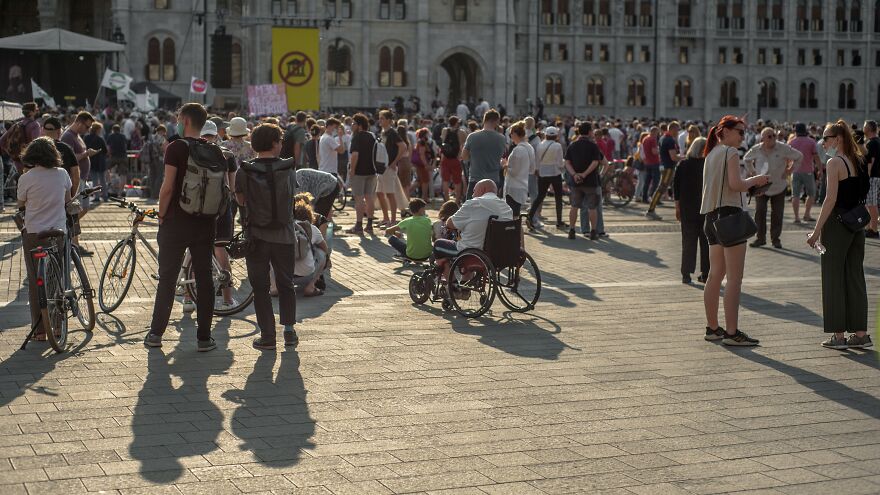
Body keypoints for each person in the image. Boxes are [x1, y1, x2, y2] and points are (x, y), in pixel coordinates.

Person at [144, 103, 219, 352]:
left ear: (185, 121)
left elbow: (167, 187)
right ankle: (204, 337)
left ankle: (156, 334)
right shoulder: (215, 150)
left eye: (178, 117)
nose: (176, 121)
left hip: (176, 221)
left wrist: (162, 215)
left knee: (167, 278)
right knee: (205, 277)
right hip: (206, 222)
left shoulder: (176, 148)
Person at [700, 116, 771, 346]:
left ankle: (713, 328)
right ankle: (732, 332)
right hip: (729, 216)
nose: (743, 136)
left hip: (710, 217)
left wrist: (747, 187)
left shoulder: (711, 153)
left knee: (714, 274)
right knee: (734, 279)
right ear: (726, 131)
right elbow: (735, 184)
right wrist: (756, 180)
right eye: (740, 132)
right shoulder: (730, 152)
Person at [807, 121, 872, 350]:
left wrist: (816, 231)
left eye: (826, 137)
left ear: (838, 138)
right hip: (857, 224)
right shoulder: (857, 160)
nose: (823, 142)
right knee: (855, 278)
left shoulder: (834, 162)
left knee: (833, 279)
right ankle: (861, 333)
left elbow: (830, 199)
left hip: (837, 224)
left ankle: (839, 336)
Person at [235, 123, 299, 350]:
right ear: (274, 143)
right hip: (285, 235)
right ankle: (289, 331)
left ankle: (268, 337)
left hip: (256, 236)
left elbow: (241, 201)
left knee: (260, 287)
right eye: (280, 140)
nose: (282, 144)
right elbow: (293, 197)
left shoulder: (244, 170)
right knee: (286, 283)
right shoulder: (288, 169)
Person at [17, 137, 72, 340]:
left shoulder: (27, 177)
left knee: (35, 281)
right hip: (57, 231)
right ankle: (57, 327)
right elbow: (67, 199)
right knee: (56, 279)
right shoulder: (62, 174)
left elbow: (20, 204)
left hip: (33, 233)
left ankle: (39, 330)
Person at [432, 179, 513, 279]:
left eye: (474, 191)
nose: (472, 195)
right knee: (470, 238)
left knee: (438, 245)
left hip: (473, 251)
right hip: (500, 253)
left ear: (483, 190)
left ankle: (452, 285)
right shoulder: (507, 208)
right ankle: (464, 284)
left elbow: (450, 223)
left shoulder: (473, 203)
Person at [744, 127, 803, 249]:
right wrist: (753, 172)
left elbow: (799, 156)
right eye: (769, 136)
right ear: (763, 139)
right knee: (760, 212)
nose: (773, 138)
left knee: (777, 214)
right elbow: (746, 159)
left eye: (774, 136)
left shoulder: (782, 147)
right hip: (761, 187)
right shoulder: (757, 149)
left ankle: (775, 239)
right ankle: (760, 239)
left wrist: (790, 170)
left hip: (778, 186)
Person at [60, 112, 98, 255]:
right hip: (75, 179)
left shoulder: (77, 136)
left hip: (82, 178)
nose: (88, 130)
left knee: (83, 208)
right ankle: (74, 244)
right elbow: (68, 157)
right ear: (79, 123)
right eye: (87, 127)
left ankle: (72, 237)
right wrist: (86, 154)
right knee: (76, 211)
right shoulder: (68, 136)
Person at [673, 137, 709, 284]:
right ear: (702, 149)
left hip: (687, 209)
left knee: (688, 242)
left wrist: (677, 207)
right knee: (706, 243)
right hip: (705, 208)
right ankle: (706, 273)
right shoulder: (708, 165)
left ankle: (686, 274)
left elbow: (676, 188)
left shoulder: (683, 164)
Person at [564, 122, 604, 240]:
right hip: (591, 181)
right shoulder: (593, 146)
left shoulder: (572, 145)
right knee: (592, 207)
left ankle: (572, 230)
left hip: (576, 182)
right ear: (590, 132)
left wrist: (574, 174)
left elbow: (567, 162)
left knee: (574, 206)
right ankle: (593, 231)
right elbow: (595, 162)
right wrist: (585, 174)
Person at [528, 125, 566, 230]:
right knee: (558, 198)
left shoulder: (540, 145)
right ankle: (559, 221)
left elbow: (537, 160)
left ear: (546, 135)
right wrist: (563, 164)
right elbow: (560, 163)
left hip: (543, 173)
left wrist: (537, 169)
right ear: (556, 136)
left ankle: (530, 216)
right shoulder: (557, 146)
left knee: (540, 196)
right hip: (555, 173)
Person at [462, 109, 506, 199]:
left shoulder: (472, 136)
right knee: (490, 210)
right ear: (497, 121)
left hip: (476, 178)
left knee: (471, 209)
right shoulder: (501, 139)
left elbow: (464, 156)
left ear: (484, 119)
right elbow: (501, 156)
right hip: (493, 181)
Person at [346, 113, 378, 235]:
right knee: (369, 198)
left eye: (353, 123)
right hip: (372, 171)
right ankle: (369, 225)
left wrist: (352, 170)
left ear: (359, 126)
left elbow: (355, 155)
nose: (352, 125)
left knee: (359, 199)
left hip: (359, 172)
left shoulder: (357, 137)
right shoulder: (372, 136)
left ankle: (358, 225)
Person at [293, 197, 329, 297]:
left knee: (272, 252)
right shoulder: (312, 229)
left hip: (285, 274)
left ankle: (274, 287)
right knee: (321, 253)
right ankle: (311, 286)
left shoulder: (286, 228)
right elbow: (325, 249)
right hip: (307, 274)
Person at [376, 110, 406, 227]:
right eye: (379, 118)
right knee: (379, 193)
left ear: (388, 120)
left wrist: (394, 162)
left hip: (389, 168)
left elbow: (403, 146)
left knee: (390, 194)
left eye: (382, 118)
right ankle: (386, 218)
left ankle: (393, 220)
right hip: (382, 167)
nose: (380, 120)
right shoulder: (383, 132)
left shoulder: (392, 133)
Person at [788, 123, 822, 224]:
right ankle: (807, 214)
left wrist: (787, 169)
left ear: (796, 131)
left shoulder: (791, 142)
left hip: (795, 171)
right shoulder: (811, 142)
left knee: (795, 195)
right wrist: (820, 169)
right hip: (808, 171)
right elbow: (816, 157)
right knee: (811, 194)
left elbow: (786, 158)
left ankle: (796, 217)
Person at [503, 121, 535, 218]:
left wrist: (505, 165)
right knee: (516, 216)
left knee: (513, 217)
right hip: (522, 185)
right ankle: (517, 233)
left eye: (510, 134)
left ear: (515, 134)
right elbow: (532, 169)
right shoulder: (529, 147)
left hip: (513, 188)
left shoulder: (518, 150)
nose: (510, 136)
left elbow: (514, 172)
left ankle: (516, 233)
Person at [439, 116, 466, 202]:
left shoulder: (444, 131)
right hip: (455, 159)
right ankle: (457, 200)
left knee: (445, 180)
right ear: (457, 123)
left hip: (445, 158)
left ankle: (447, 200)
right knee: (457, 181)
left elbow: (442, 143)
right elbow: (463, 145)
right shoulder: (461, 132)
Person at [82, 122, 109, 203]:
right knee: (102, 180)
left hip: (91, 161)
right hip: (100, 162)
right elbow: (105, 151)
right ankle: (105, 196)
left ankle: (96, 197)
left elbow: (84, 148)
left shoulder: (86, 138)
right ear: (97, 130)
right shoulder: (100, 139)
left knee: (94, 180)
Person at [863, 120, 879, 238]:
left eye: (864, 127)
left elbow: (870, 162)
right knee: (872, 203)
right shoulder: (877, 141)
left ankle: (873, 229)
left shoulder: (871, 143)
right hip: (877, 177)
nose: (863, 128)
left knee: (871, 204)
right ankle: (869, 227)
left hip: (872, 177)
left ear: (868, 129)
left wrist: (866, 178)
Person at [640, 127, 661, 203]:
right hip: (654, 162)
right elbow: (654, 152)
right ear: (654, 132)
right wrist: (660, 150)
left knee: (647, 181)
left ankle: (644, 197)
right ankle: (653, 197)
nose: (658, 135)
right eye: (657, 133)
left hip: (647, 162)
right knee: (656, 181)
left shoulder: (645, 139)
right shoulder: (653, 139)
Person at [412, 128, 434, 202]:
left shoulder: (420, 141)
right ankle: (424, 198)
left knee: (420, 181)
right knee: (425, 181)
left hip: (420, 164)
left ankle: (407, 192)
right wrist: (426, 165)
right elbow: (422, 154)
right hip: (422, 165)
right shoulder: (422, 142)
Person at [396, 124, 414, 199]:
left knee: (400, 184)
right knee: (407, 184)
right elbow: (410, 154)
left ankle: (401, 201)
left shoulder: (398, 143)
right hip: (407, 162)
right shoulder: (407, 142)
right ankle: (408, 200)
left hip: (400, 162)